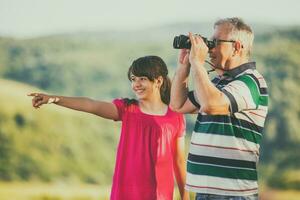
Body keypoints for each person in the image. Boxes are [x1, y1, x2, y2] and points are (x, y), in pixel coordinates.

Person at [28, 55, 189, 200]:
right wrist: (55, 99)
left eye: (142, 79)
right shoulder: (127, 109)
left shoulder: (175, 116)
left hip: (160, 195)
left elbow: (179, 161)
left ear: (158, 81)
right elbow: (91, 105)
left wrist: (185, 197)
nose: (136, 84)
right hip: (125, 194)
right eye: (133, 79)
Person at [170, 17, 268, 200]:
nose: (209, 49)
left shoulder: (250, 82)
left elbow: (210, 105)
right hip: (205, 191)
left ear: (237, 47)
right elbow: (178, 105)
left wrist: (198, 64)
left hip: (233, 193)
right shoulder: (217, 83)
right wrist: (184, 66)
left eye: (215, 42)